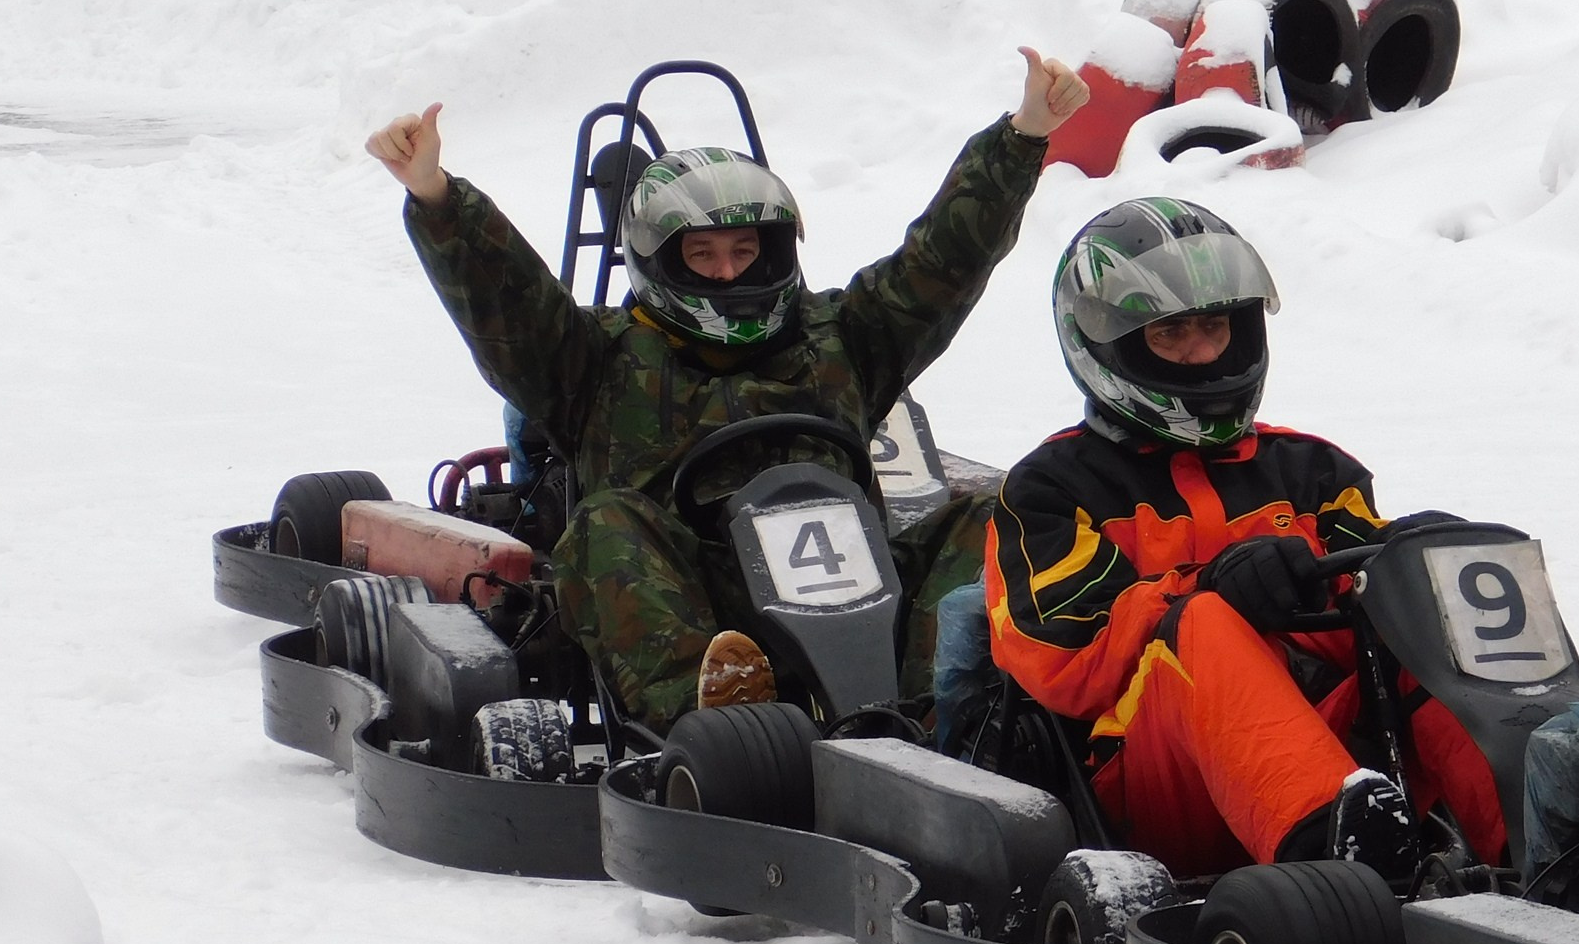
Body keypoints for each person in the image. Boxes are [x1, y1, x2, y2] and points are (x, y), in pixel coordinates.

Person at [366, 50, 1089, 732]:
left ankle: (935, 714)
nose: (727, 272)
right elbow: (510, 304)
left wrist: (1023, 135)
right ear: (658, 259)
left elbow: (942, 263)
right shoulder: (597, 359)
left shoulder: (844, 338)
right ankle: (717, 722)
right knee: (606, 523)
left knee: (991, 515)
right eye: (702, 253)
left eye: (745, 251)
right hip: (697, 596)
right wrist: (436, 196)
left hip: (858, 583)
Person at [983, 197, 1504, 880]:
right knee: (1201, 622)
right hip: (1150, 785)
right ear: (1109, 345)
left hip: (1335, 757)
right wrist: (1212, 589)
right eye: (1169, 333)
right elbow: (1067, 661)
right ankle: (1338, 862)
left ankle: (1556, 845)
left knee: (1436, 599)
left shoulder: (1316, 471)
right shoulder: (1049, 491)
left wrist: (1409, 565)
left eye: (1213, 326)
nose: (1201, 353)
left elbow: (1371, 609)